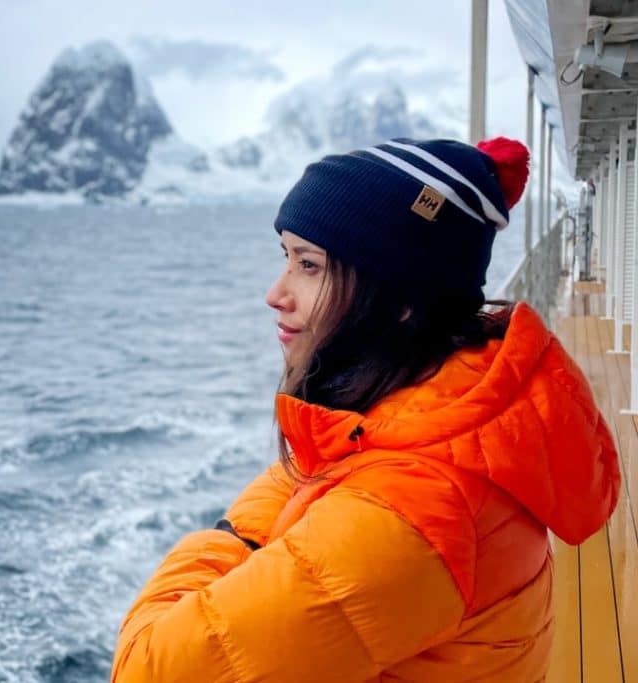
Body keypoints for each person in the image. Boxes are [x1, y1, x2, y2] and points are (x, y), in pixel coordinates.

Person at [110, 137, 621, 682]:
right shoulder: (454, 414)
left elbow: (148, 668)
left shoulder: (411, 508)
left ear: (403, 298)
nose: (275, 293)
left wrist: (234, 537)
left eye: (308, 265)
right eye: (286, 258)